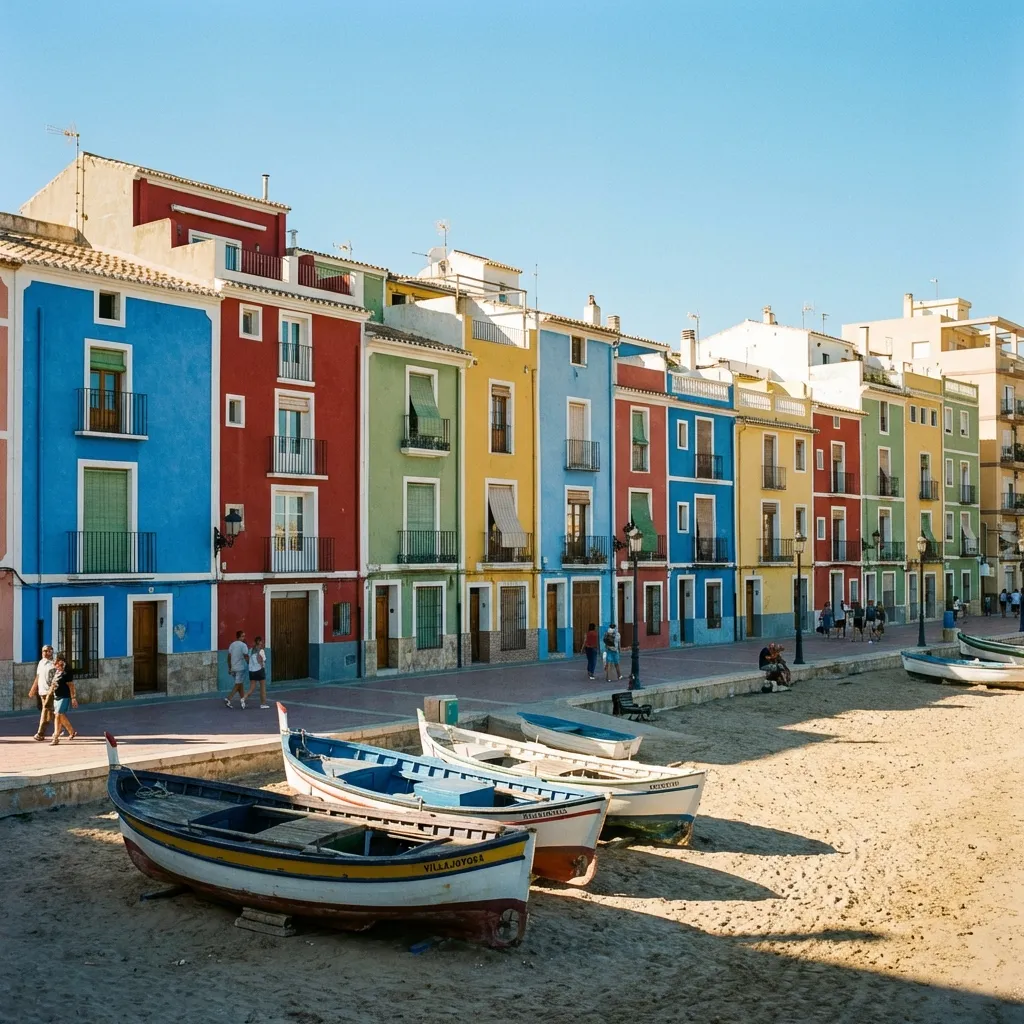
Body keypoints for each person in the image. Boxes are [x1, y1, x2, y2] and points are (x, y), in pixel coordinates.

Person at [48, 653, 77, 745]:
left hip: (64, 696)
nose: (54, 664)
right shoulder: (57, 672)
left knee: (58, 715)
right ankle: (71, 731)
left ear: (61, 661)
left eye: (56, 662)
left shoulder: (67, 672)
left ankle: (55, 737)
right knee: (60, 716)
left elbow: (71, 685)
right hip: (56, 696)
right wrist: (49, 693)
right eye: (54, 663)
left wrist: (73, 698)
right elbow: (53, 684)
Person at [27, 644, 55, 741]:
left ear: (51, 652)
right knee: (51, 713)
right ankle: (66, 728)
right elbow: (38, 677)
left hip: (50, 692)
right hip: (42, 691)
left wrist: (52, 690)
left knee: (45, 710)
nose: (45, 653)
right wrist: (33, 689)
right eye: (44, 651)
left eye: (47, 651)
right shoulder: (41, 662)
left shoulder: (53, 664)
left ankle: (40, 733)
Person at [225, 630, 249, 709]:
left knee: (240, 684)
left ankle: (243, 700)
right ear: (239, 637)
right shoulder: (243, 645)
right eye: (243, 636)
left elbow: (229, 657)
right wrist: (250, 664)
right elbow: (246, 655)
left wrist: (229, 667)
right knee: (238, 684)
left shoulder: (232, 645)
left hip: (233, 668)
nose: (244, 637)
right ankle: (228, 699)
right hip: (240, 668)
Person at [245, 636, 269, 709]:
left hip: (252, 671)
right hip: (260, 670)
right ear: (260, 643)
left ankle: (243, 698)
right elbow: (264, 660)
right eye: (262, 643)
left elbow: (248, 660)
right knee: (262, 687)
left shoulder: (250, 650)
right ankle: (263, 704)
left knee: (252, 688)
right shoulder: (261, 651)